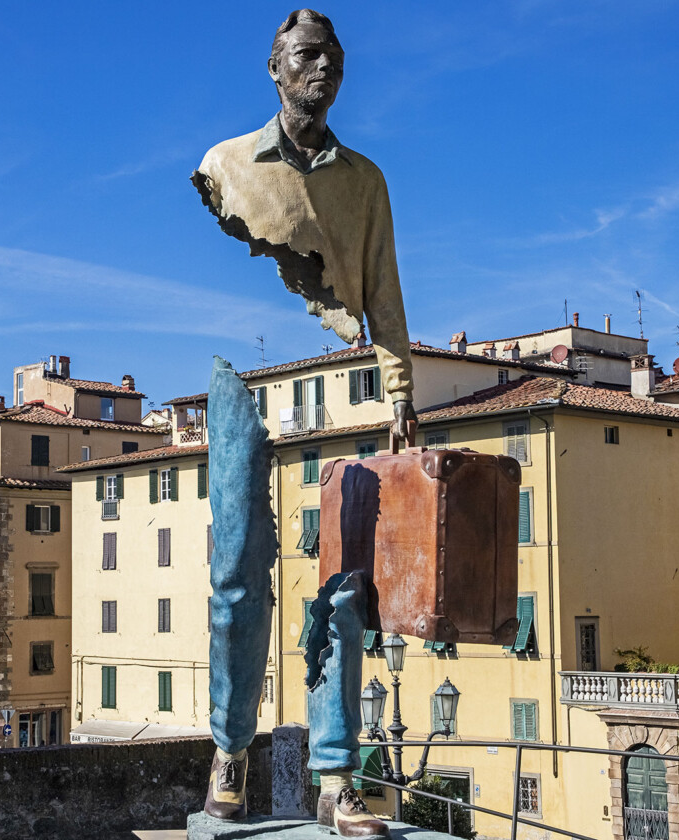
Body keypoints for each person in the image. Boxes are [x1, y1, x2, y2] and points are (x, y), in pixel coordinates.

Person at [194, 13, 403, 837]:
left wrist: (402, 398)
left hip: (345, 395)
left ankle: (335, 776)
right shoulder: (224, 166)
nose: (327, 70)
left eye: (336, 59)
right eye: (310, 56)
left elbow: (383, 291)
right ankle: (229, 752)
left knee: (346, 588)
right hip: (238, 387)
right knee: (236, 581)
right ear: (275, 69)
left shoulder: (366, 181)